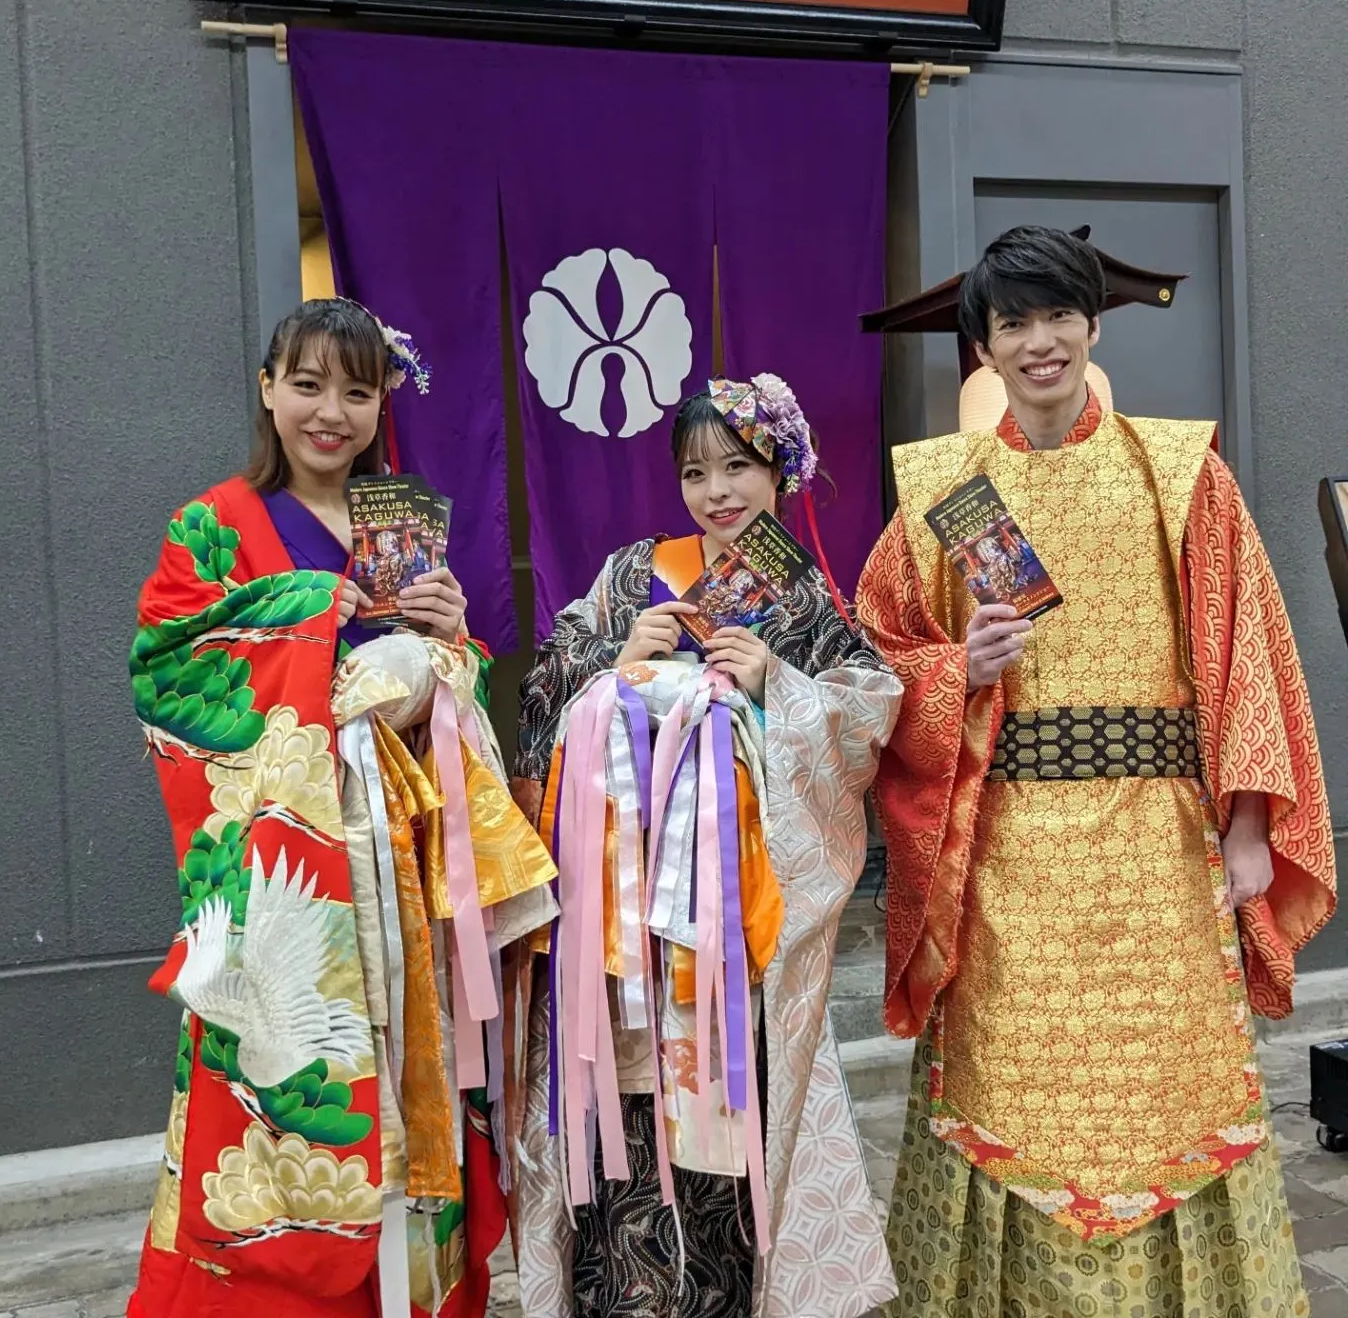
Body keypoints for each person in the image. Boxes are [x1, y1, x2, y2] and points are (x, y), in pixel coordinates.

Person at [856, 227, 1337, 1317]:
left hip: (1158, 841)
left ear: (1092, 326)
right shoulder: (947, 487)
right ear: (982, 348)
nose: (1039, 343)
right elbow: (876, 650)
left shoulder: (1177, 473)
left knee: (1166, 1085)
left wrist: (1250, 824)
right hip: (1009, 851)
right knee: (1010, 1079)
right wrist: (953, 669)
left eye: (1057, 316)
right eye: (1013, 323)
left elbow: (1242, 646)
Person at [126, 299, 557, 1318]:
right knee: (287, 1102)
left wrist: (454, 640)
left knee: (421, 1092)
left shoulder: (394, 524)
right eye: (308, 385)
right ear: (269, 387)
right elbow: (167, 667)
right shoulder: (212, 524)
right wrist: (319, 614)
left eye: (357, 392)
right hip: (296, 887)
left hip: (402, 872)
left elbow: (441, 702)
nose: (331, 413)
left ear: (381, 404)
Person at [510, 374, 903, 1318]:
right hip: (622, 911)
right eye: (696, 472)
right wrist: (612, 662)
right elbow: (538, 715)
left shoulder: (801, 595)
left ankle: (726, 1294)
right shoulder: (630, 574)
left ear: (779, 472)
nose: (718, 491)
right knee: (625, 1107)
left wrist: (775, 684)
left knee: (727, 1103)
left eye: (739, 466)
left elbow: (865, 717)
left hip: (731, 919)